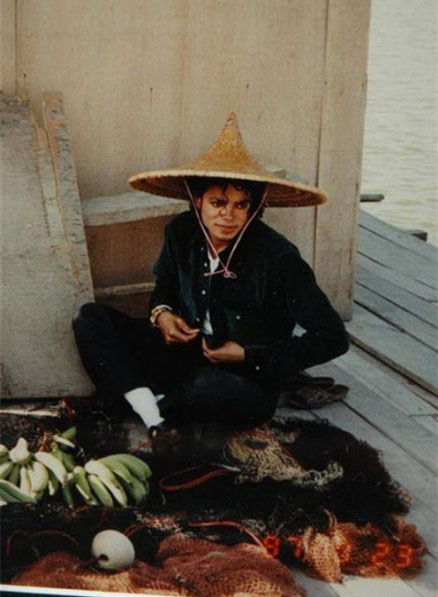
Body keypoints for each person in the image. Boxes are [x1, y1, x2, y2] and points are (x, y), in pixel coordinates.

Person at [73, 113, 349, 449]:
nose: (228, 215)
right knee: (90, 318)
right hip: (184, 356)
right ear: (198, 201)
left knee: (207, 388)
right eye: (218, 203)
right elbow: (165, 286)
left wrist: (248, 355)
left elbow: (332, 338)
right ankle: (155, 415)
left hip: (244, 377)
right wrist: (162, 314)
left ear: (254, 208)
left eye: (240, 205)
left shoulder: (279, 258)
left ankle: (146, 404)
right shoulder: (181, 232)